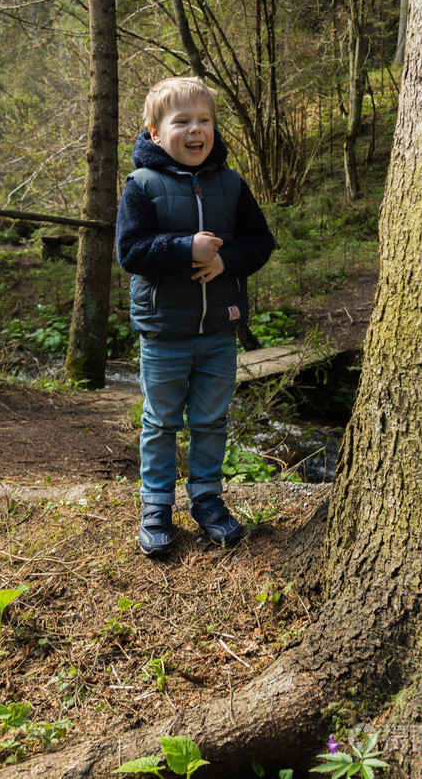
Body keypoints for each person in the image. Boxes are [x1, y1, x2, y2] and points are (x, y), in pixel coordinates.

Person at [116, 76, 275, 556]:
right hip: (164, 332)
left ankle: (206, 500)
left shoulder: (231, 183)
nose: (195, 130)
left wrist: (227, 261)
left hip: (219, 331)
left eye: (203, 120)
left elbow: (260, 242)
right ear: (155, 132)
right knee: (162, 422)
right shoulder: (142, 185)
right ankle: (156, 507)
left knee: (210, 420)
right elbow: (131, 250)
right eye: (181, 121)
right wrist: (186, 248)